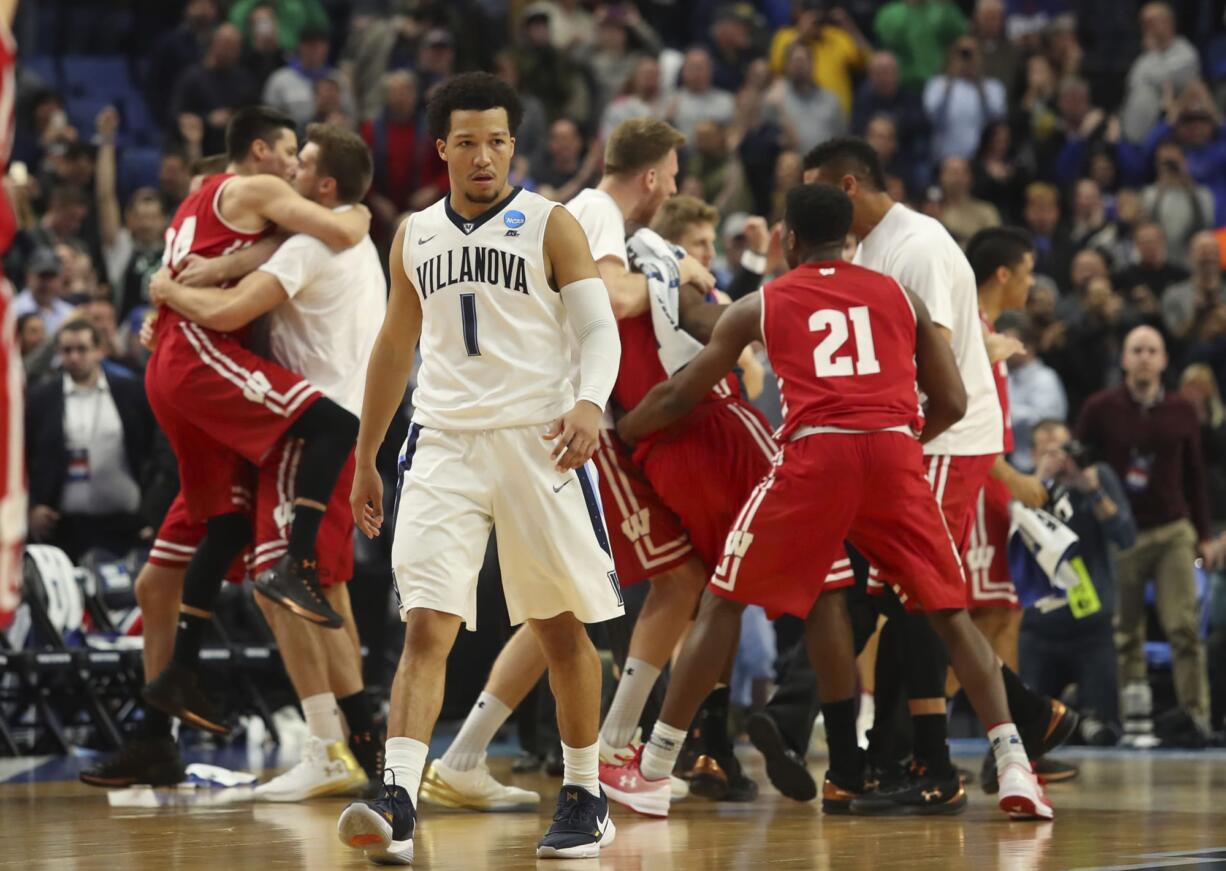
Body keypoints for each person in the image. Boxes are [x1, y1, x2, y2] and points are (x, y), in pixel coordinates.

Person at [613, 182, 1052, 822]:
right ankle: (1016, 765)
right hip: (898, 456)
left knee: (725, 598)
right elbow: (955, 401)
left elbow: (681, 395)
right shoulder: (899, 294)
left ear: (788, 238)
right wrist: (899, 443)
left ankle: (653, 770)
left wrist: (621, 433)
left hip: (818, 457)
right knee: (950, 615)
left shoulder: (766, 301)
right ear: (850, 239)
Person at [336, 72, 624, 864]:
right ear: (442, 149)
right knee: (426, 620)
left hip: (539, 438)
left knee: (559, 625)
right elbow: (395, 347)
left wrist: (592, 401)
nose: (483, 154)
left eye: (496, 139)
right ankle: (396, 796)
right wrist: (365, 455)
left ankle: (584, 791)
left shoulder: (551, 223)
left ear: (513, 145)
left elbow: (600, 331)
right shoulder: (414, 235)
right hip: (442, 441)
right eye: (467, 141)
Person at [803, 138, 1075, 814]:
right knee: (912, 598)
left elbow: (939, 368)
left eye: (815, 194)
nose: (807, 211)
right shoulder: (865, 249)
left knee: (923, 595)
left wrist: (896, 445)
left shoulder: (916, 246)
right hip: (906, 441)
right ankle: (999, 728)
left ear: (847, 185)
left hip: (944, 437)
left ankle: (943, 756)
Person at [148, 123, 384, 801]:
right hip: (349, 423)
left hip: (308, 433)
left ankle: (325, 742)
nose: (291, 168)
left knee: (278, 586)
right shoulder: (345, 234)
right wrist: (221, 265)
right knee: (325, 590)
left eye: (302, 161)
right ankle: (359, 738)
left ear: (324, 184)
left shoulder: (312, 240)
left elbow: (225, 317)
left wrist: (168, 294)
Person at [1077, 325, 1214, 734]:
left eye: (1152, 350)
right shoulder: (1099, 408)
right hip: (1122, 533)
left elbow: (1196, 475)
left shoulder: (1182, 411)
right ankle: (1133, 715)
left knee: (1183, 627)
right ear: (1124, 359)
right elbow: (1083, 466)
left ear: (1164, 360)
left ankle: (1196, 715)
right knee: (1124, 632)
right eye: (1136, 350)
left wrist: (1204, 534)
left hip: (1174, 529)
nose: (1144, 357)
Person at [1022, 419, 1135, 747]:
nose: (1059, 460)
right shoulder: (1024, 485)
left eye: (1064, 451)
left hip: (1091, 625)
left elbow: (1125, 537)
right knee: (1031, 730)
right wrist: (1039, 482)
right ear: (1033, 455)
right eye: (1048, 453)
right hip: (1039, 626)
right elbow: (1015, 533)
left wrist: (1093, 490)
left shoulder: (1096, 479)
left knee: (1103, 731)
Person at [24, 319, 154, 561]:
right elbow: (22, 457)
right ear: (58, 353)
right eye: (67, 350)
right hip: (62, 526)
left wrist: (151, 513)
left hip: (124, 523)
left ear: (99, 350)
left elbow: (154, 453)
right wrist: (32, 506)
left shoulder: (131, 392)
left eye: (82, 349)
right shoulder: (41, 399)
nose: (74, 357)